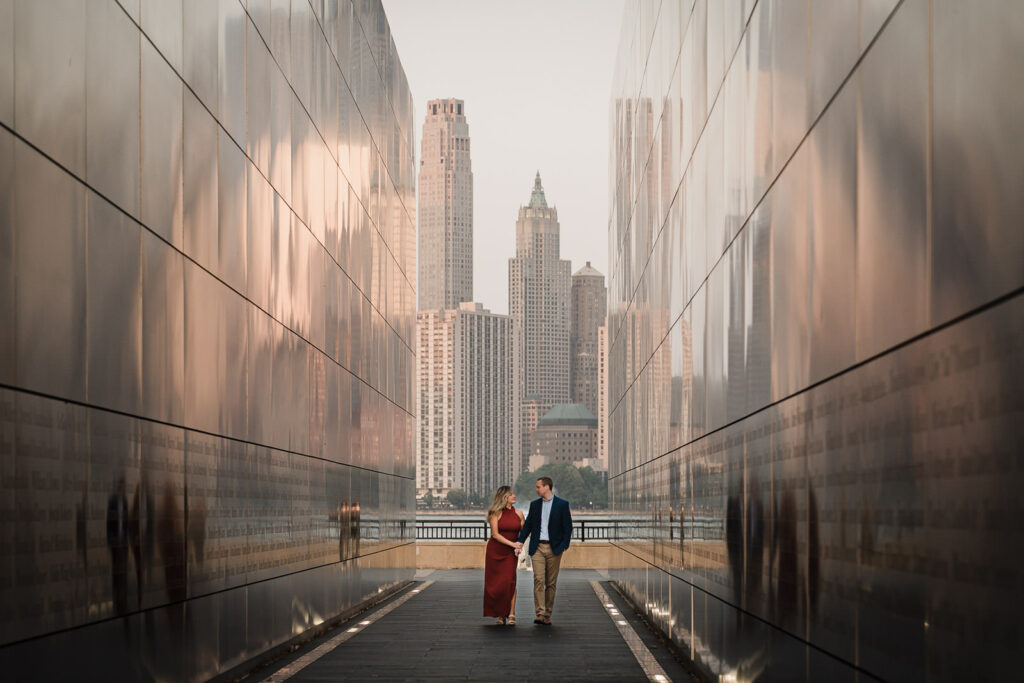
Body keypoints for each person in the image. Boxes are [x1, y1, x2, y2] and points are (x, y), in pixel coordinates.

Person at [517, 477, 572, 625]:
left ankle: (548, 613)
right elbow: (528, 526)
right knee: (538, 580)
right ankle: (540, 613)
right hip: (538, 548)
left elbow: (568, 528)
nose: (536, 489)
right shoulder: (535, 505)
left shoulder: (562, 505)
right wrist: (520, 542)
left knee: (551, 583)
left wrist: (563, 546)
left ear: (547, 487)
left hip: (555, 548)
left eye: (538, 487)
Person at [483, 486, 524, 625]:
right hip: (496, 552)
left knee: (510, 581)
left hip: (511, 554)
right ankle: (501, 615)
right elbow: (495, 534)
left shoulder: (519, 513)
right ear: (505, 497)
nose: (514, 496)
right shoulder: (495, 513)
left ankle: (511, 613)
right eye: (511, 494)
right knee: (498, 584)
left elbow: (523, 535)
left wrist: (519, 546)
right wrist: (513, 545)